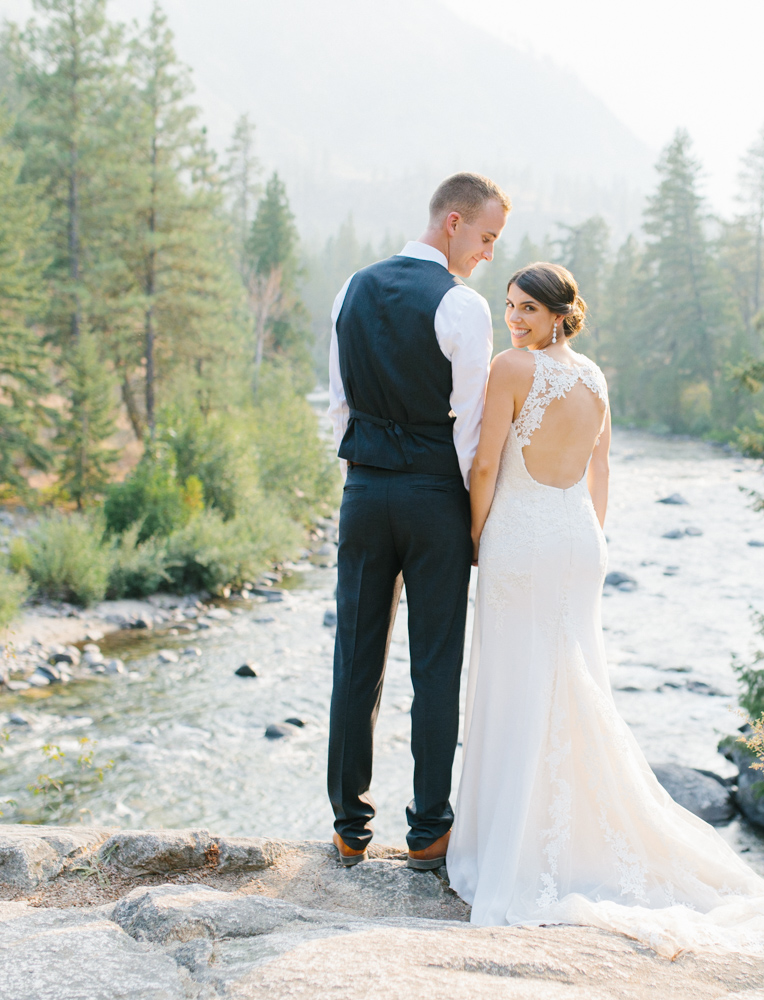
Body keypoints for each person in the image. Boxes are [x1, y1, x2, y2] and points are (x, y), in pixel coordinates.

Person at [445, 262, 764, 958]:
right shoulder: (594, 378)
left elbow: (487, 469)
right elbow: (602, 470)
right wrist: (591, 537)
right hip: (577, 537)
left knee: (520, 681)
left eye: (529, 308)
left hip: (523, 538)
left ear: (561, 312)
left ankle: (514, 846)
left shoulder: (511, 369)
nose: (515, 320)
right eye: (510, 307)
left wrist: (475, 537)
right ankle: (571, 837)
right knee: (570, 681)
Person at [326, 172, 508, 870]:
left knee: (356, 661)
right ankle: (429, 831)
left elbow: (340, 405)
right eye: (487, 237)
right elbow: (470, 432)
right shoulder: (462, 306)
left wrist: (361, 481)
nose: (489, 252)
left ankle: (349, 827)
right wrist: (470, 520)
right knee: (435, 667)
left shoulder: (352, 288)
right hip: (435, 495)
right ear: (454, 223)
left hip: (365, 491)